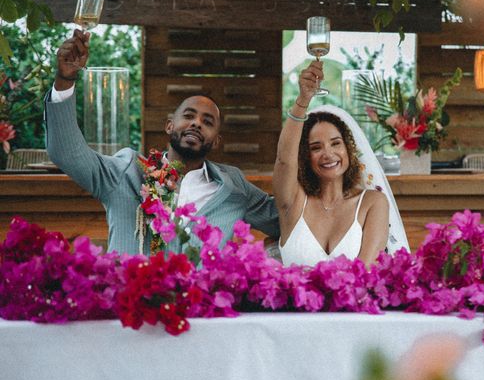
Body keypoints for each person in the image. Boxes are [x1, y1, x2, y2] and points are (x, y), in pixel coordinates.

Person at [45, 29, 279, 255]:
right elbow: (67, 152)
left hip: (200, 295)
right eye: (188, 116)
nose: (196, 123)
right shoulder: (125, 172)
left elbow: (283, 219)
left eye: (207, 122)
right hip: (128, 294)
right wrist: (65, 80)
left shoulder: (233, 187)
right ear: (169, 126)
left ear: (216, 141)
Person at [274, 61, 409, 267]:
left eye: (336, 143)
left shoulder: (372, 203)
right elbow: (284, 160)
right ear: (304, 156)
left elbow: (366, 273)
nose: (328, 154)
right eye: (316, 147)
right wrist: (302, 101)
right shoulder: (293, 202)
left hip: (355, 299)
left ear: (348, 150)